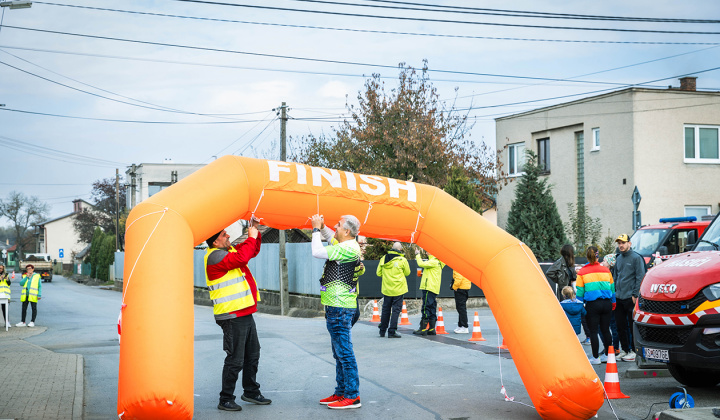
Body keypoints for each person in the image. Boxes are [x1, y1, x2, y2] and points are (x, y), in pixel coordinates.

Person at [204, 218, 272, 412]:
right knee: (235, 359)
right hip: (231, 315)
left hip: (244, 311)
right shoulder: (215, 256)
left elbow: (251, 250)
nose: (228, 236)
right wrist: (251, 237)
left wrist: (255, 232)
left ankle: (250, 391)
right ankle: (225, 399)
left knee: (253, 354)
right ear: (215, 241)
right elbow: (242, 258)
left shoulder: (228, 250)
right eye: (224, 234)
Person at [311, 214, 363, 410]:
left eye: (338, 225)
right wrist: (323, 227)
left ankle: (352, 395)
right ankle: (342, 392)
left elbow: (317, 251)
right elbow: (332, 238)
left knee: (345, 353)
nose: (335, 227)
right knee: (339, 353)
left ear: (347, 231)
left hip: (340, 306)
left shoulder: (348, 248)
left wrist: (316, 229)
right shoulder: (346, 245)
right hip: (336, 305)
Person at [576, 246, 615, 365]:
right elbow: (612, 288)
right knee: (606, 330)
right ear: (598, 256)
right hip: (607, 303)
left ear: (587, 256)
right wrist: (613, 303)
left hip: (592, 305)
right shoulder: (606, 270)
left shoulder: (582, 271)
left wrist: (579, 305)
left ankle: (595, 357)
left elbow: (580, 291)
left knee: (593, 331)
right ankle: (608, 356)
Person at [611, 234, 646, 362]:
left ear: (629, 243)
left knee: (632, 326)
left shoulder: (636, 258)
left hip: (630, 298)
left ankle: (633, 351)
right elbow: (615, 276)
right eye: (619, 243)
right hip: (619, 297)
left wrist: (635, 294)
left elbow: (640, 276)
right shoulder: (619, 258)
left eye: (623, 243)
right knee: (620, 326)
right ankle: (625, 350)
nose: (621, 245)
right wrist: (613, 293)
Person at [376, 242, 409, 338]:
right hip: (399, 289)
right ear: (400, 249)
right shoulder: (402, 260)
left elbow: (378, 273)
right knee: (396, 310)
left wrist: (387, 276)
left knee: (386, 309)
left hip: (387, 289)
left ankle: (382, 331)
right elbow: (407, 273)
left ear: (392, 248)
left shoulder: (383, 258)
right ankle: (392, 331)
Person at [413, 251, 446, 336]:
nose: (426, 252)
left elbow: (420, 263)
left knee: (425, 307)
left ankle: (423, 328)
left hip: (428, 287)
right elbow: (431, 273)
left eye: (428, 250)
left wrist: (417, 254)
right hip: (433, 288)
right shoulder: (437, 262)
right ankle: (431, 328)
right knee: (431, 307)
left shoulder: (433, 261)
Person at [451, 270, 471, 334]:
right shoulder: (463, 266)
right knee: (461, 308)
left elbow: (458, 278)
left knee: (461, 308)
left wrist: (454, 287)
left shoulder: (457, 266)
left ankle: (464, 327)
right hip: (465, 287)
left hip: (460, 288)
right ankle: (461, 325)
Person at [0, 264, 12, 328]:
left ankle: (7, 322)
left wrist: (7, 279)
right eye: (0, 268)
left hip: (4, 295)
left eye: (1, 268)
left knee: (5, 309)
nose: (0, 270)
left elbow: (9, 283)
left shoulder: (6, 275)